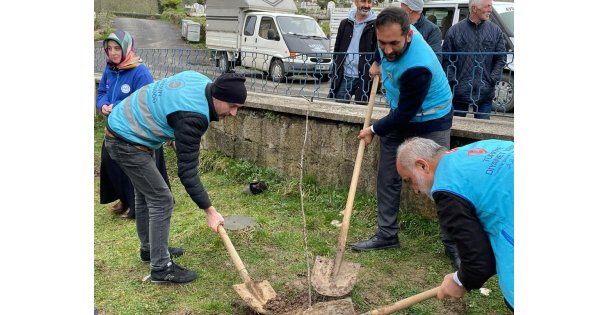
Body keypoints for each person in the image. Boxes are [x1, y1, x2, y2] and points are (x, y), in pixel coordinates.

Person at [104, 70, 248, 284]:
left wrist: (176, 134)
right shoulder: (194, 117)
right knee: (161, 199)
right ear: (217, 97)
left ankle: (150, 249)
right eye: (232, 106)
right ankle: (161, 268)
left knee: (146, 194)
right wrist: (210, 211)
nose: (234, 113)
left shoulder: (200, 80)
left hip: (129, 126)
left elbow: (169, 104)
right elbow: (187, 173)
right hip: (126, 140)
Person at [351, 7, 461, 270]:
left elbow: (405, 113)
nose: (388, 49)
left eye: (394, 44)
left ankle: (455, 246)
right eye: (382, 43)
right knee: (388, 176)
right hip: (401, 113)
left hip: (431, 119)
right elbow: (383, 52)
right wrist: (377, 62)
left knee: (441, 182)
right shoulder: (387, 39)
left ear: (409, 35)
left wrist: (374, 130)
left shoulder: (417, 66)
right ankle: (387, 235)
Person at [396, 137, 514, 311]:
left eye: (409, 180)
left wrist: (460, 281)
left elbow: (479, 264)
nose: (415, 190)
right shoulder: (482, 148)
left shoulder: (448, 189)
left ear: (423, 166)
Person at [96, 30, 172, 218]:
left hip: (135, 131)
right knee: (110, 162)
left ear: (127, 48)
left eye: (117, 48)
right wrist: (103, 104)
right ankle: (122, 198)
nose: (113, 53)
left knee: (132, 166)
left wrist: (118, 106)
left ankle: (134, 204)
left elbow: (146, 100)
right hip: (114, 128)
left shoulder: (140, 71)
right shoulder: (110, 69)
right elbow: (102, 92)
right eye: (109, 49)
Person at [441, 0, 506, 120]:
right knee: (456, 130)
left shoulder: (495, 31)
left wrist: (492, 79)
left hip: (485, 91)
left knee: (484, 131)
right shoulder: (454, 31)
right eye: (487, 6)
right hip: (459, 91)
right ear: (475, 9)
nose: (490, 10)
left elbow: (501, 58)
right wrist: (453, 80)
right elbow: (447, 60)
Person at [327, 0, 377, 105]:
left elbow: (378, 51)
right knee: (339, 109)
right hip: (344, 75)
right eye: (363, 1)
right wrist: (335, 68)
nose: (367, 5)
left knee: (361, 112)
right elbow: (337, 49)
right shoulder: (345, 24)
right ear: (355, 2)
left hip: (364, 77)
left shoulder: (376, 25)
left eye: (370, 2)